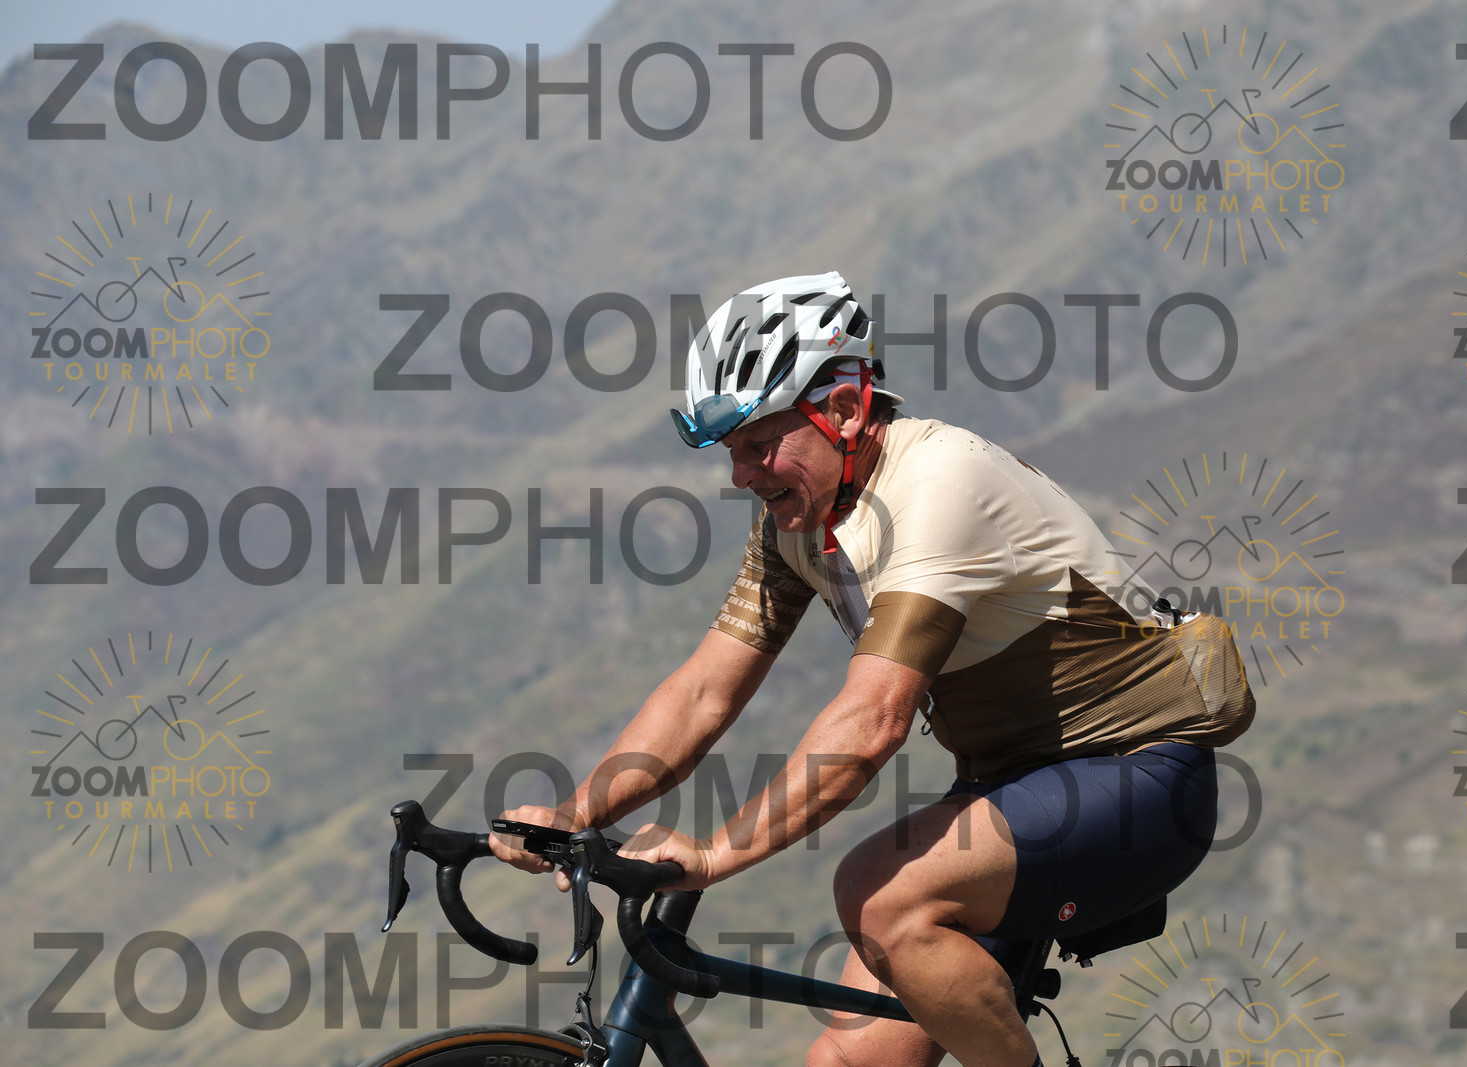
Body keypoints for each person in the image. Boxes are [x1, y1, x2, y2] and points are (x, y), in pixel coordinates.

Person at [490, 271, 1253, 1067]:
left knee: (878, 892)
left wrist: (713, 855)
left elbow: (871, 723)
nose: (740, 474)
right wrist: (575, 813)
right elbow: (703, 690)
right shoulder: (799, 520)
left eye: (757, 443)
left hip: (1138, 781)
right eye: (730, 451)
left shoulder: (938, 486)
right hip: (1011, 788)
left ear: (848, 410)